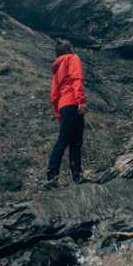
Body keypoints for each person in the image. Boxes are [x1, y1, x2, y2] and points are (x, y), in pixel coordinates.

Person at [45, 39, 87, 187]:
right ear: (69, 49)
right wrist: (81, 101)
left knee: (63, 140)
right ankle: (76, 176)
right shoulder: (73, 58)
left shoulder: (57, 69)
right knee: (75, 141)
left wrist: (58, 113)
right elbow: (77, 79)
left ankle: (52, 177)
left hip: (63, 106)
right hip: (73, 103)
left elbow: (54, 95)